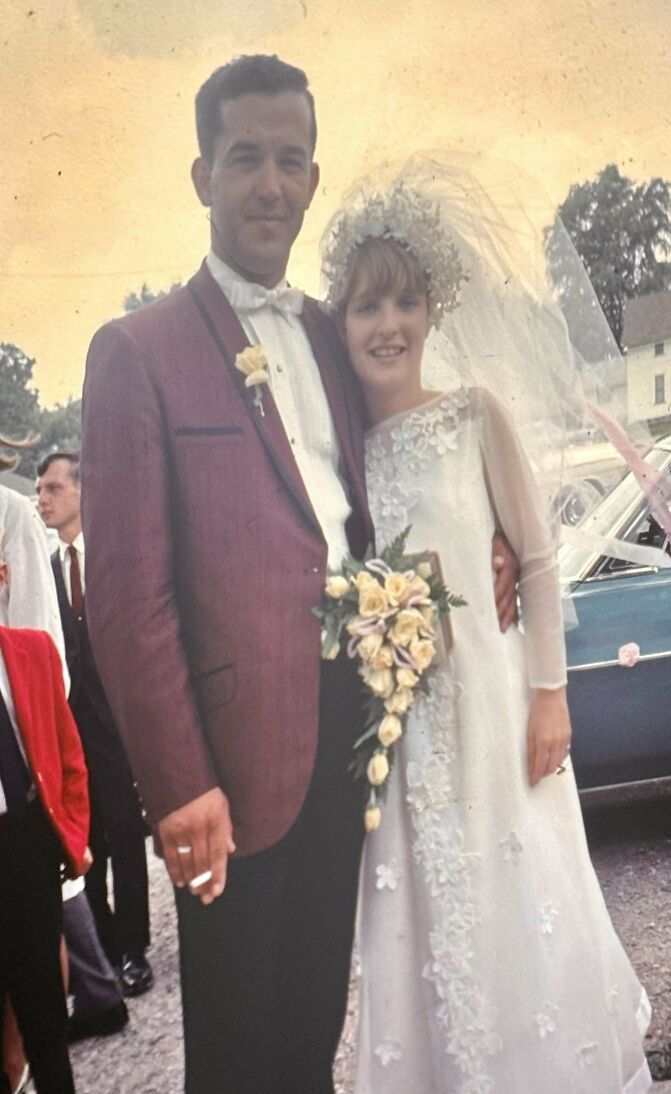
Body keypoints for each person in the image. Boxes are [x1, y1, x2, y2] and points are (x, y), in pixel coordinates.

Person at [80, 56, 518, 1093]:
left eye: (289, 159)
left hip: (350, 740)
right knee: (236, 1055)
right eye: (245, 159)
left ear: (313, 177)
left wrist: (486, 539)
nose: (269, 183)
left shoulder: (332, 335)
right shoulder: (137, 351)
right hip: (229, 769)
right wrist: (179, 784)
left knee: (313, 1029)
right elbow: (125, 598)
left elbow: (408, 465)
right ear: (202, 176)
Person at [323, 180, 653, 1092]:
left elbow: (537, 561)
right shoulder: (339, 447)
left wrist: (551, 694)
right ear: (342, 319)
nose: (387, 324)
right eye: (366, 305)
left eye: (404, 301)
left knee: (518, 902)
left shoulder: (472, 415)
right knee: (425, 917)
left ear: (433, 310)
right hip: (398, 735)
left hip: (497, 714)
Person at [36, 451, 153, 997]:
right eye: (39, 490)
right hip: (71, 727)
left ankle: (134, 951)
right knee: (87, 841)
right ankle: (103, 946)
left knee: (127, 834)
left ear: (82, 492)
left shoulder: (111, 557)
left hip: (118, 723)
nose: (43, 499)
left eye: (54, 488)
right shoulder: (45, 566)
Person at [0, 577, 91, 1094]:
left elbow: (68, 754)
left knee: (44, 1011)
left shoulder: (32, 651)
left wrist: (71, 837)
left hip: (28, 846)